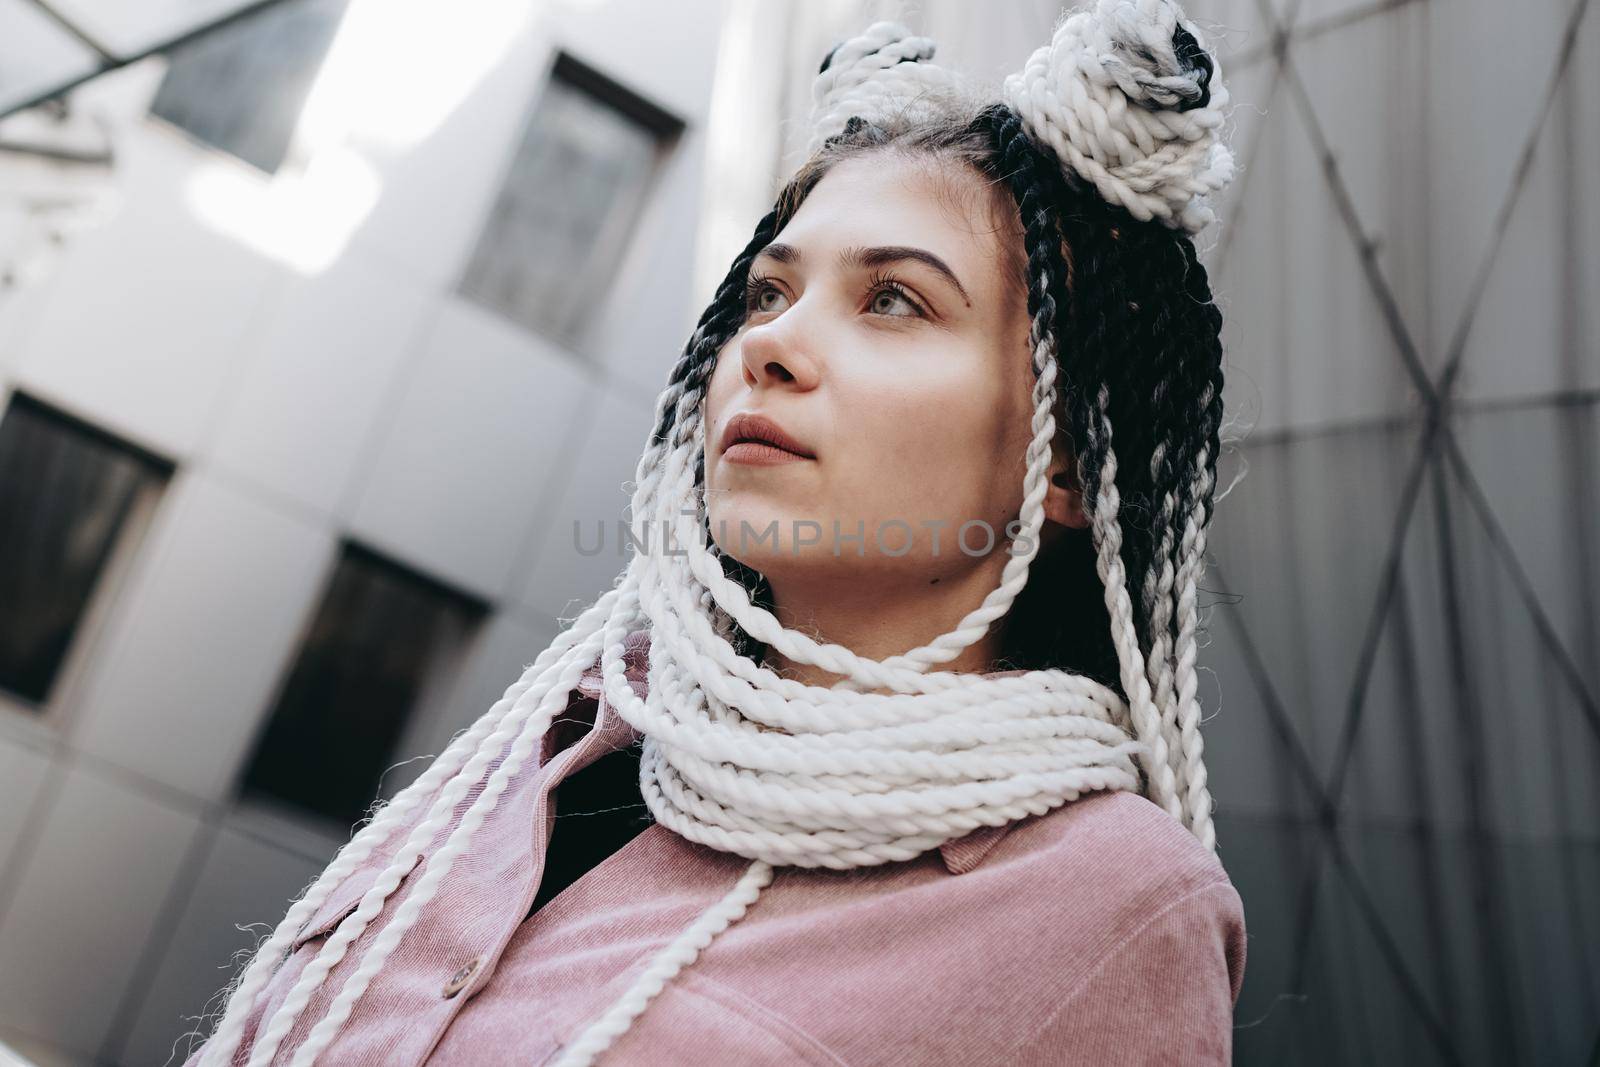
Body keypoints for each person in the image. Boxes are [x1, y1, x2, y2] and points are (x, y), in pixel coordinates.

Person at [182, 2, 1246, 1063]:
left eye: (892, 300)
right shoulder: (576, 725)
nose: (772, 341)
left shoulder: (1106, 906)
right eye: (767, 290)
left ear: (1064, 461)